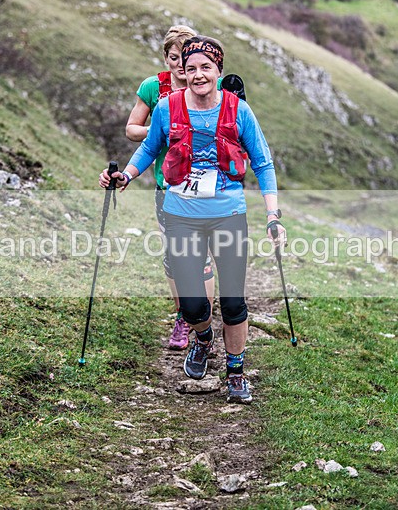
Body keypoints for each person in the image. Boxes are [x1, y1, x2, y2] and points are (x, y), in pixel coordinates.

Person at [101, 36, 286, 404]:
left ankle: (235, 370)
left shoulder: (239, 111)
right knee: (192, 306)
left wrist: (272, 215)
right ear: (182, 72)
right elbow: (149, 147)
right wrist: (126, 174)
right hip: (180, 215)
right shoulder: (168, 107)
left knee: (233, 302)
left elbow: (263, 164)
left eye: (206, 68)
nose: (198, 75)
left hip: (228, 215)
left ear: (218, 71)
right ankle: (203, 339)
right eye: (191, 68)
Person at [124, 25, 215, 352]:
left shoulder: (205, 85)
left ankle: (202, 327)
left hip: (205, 186)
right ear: (166, 58)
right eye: (174, 58)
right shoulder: (154, 88)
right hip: (167, 185)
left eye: (187, 58)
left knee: (201, 257)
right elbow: (132, 129)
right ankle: (183, 317)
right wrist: (159, 129)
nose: (181, 65)